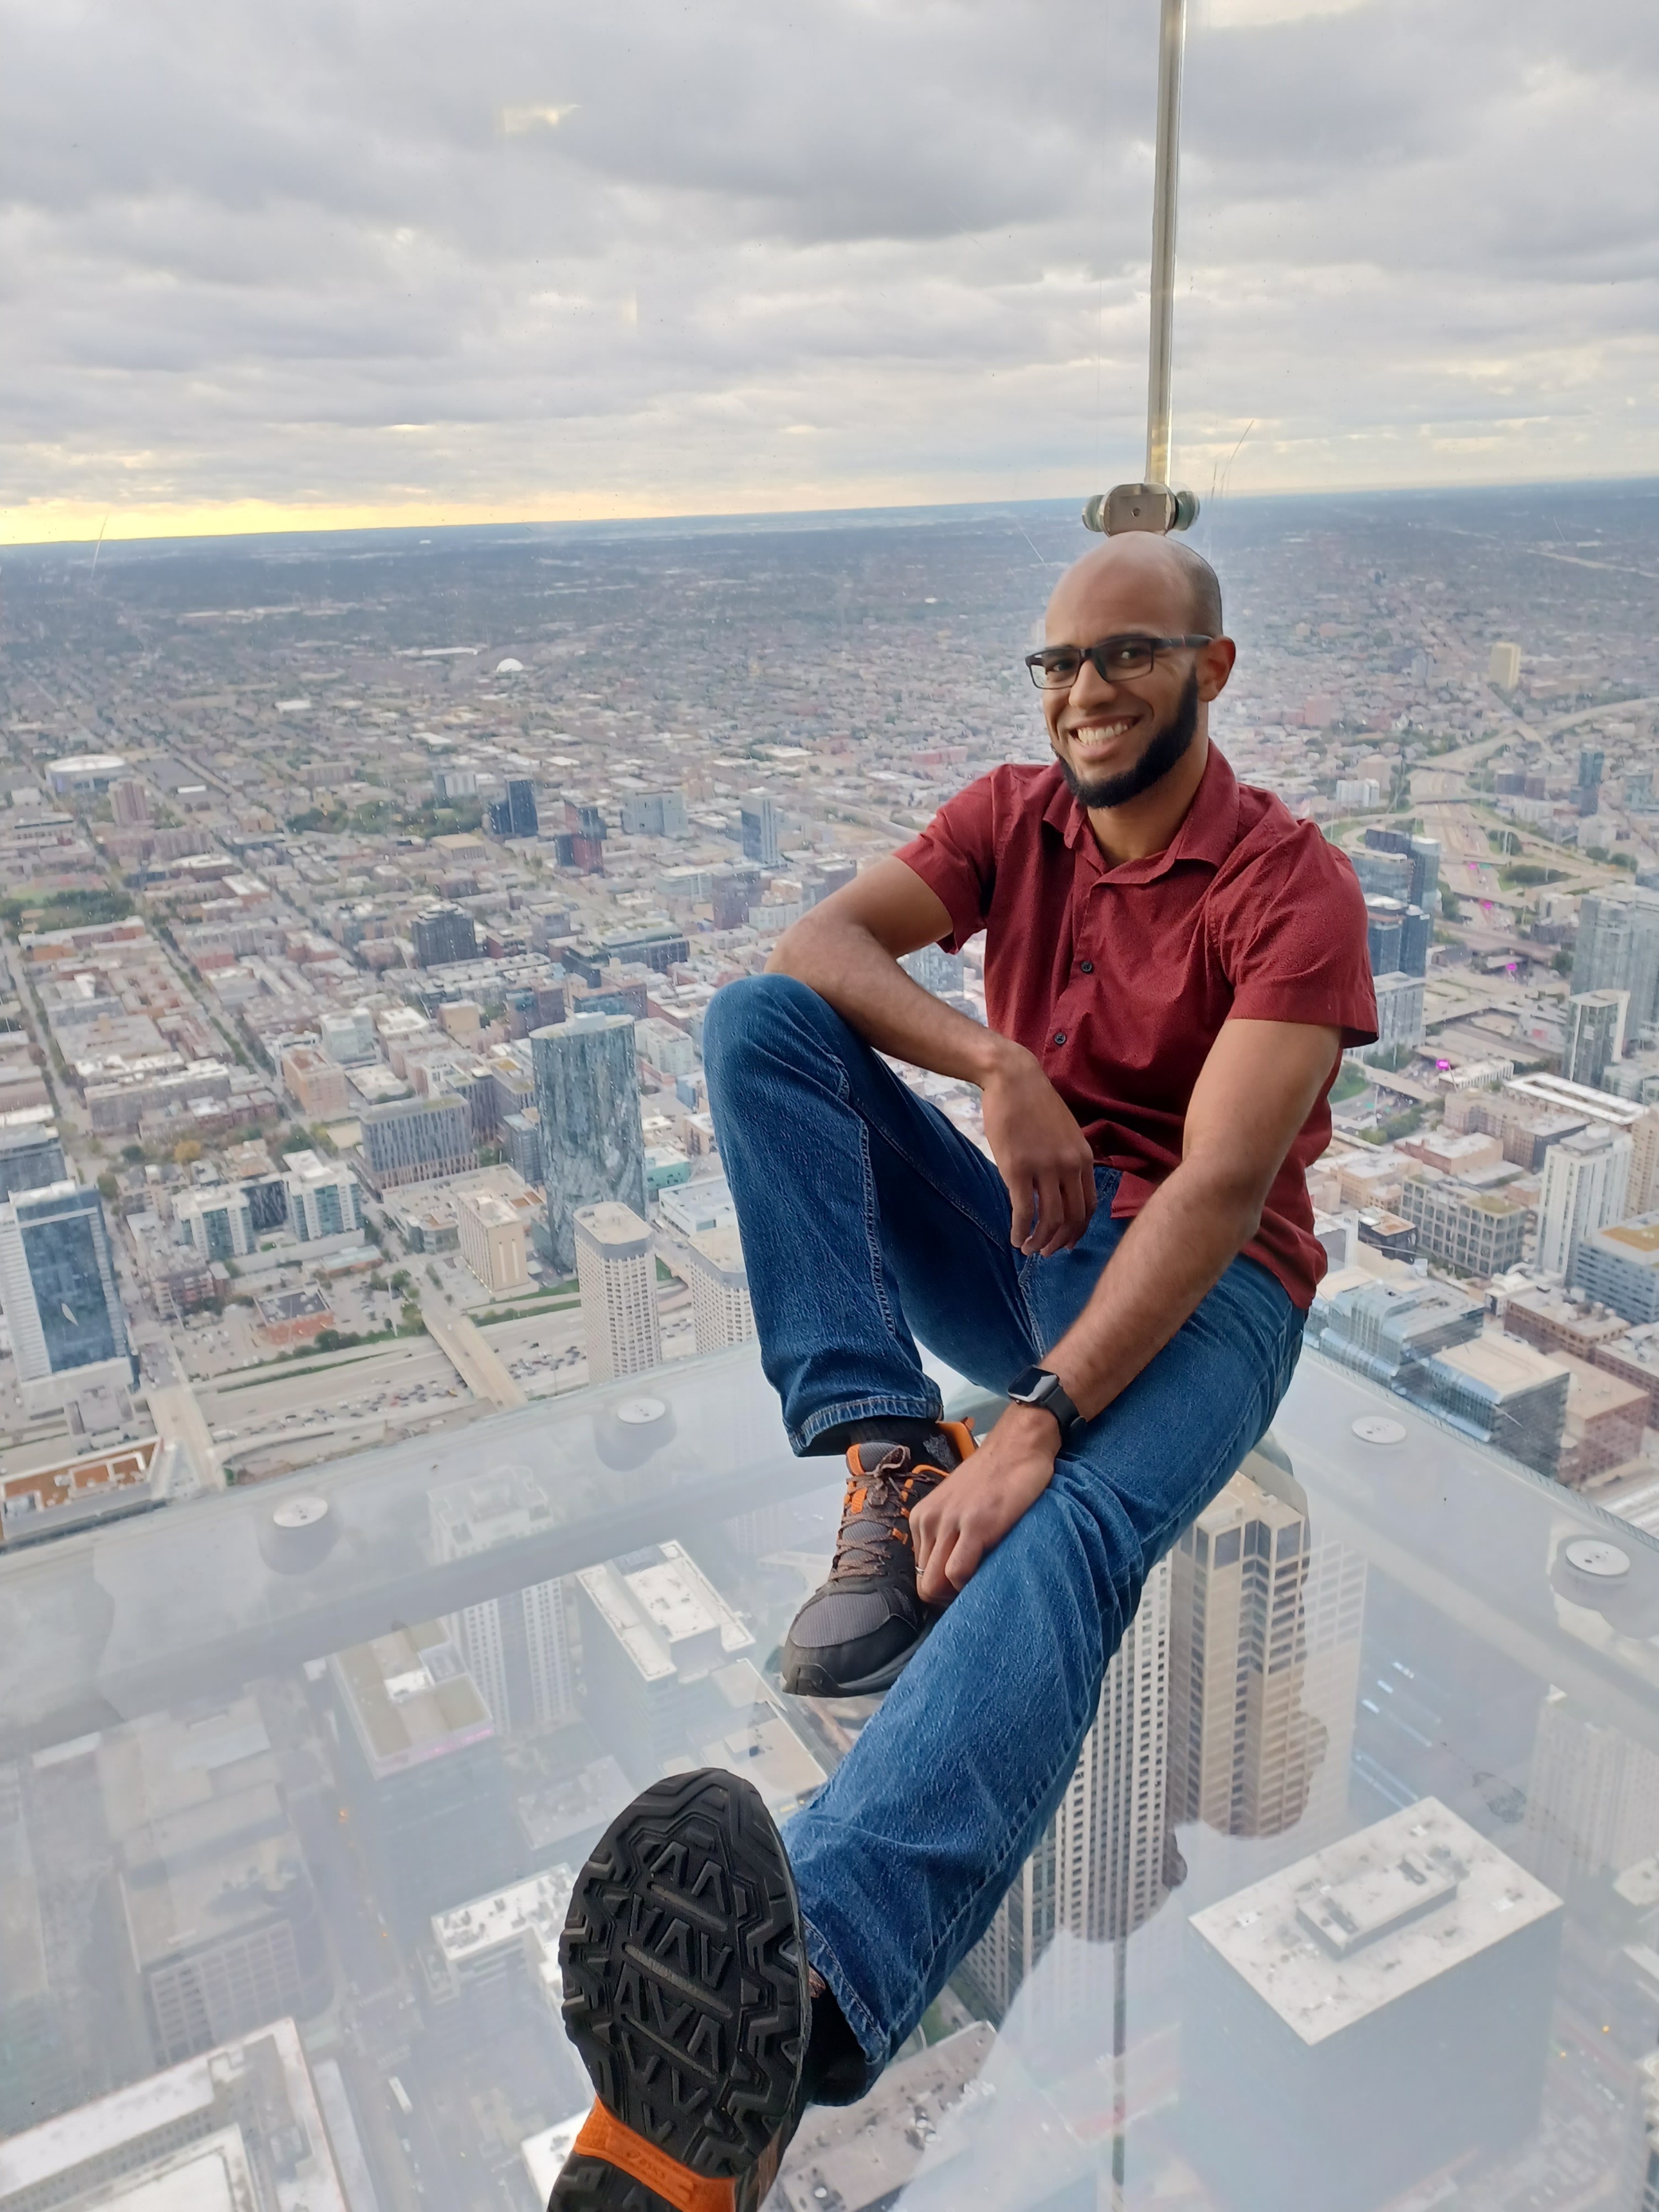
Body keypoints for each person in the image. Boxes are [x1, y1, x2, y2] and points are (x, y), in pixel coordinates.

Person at [549, 533, 1376, 2212]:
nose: (1082, 692)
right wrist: (994, 1060)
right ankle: (878, 1449)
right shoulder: (1017, 817)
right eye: (1058, 663)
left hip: (1210, 1297)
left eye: (1124, 656)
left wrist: (1034, 1425)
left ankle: (808, 1999)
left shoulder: (1292, 888)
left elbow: (1217, 1191)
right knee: (755, 1023)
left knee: (1062, 1531)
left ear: (1210, 672)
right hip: (1031, 1226)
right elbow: (816, 948)